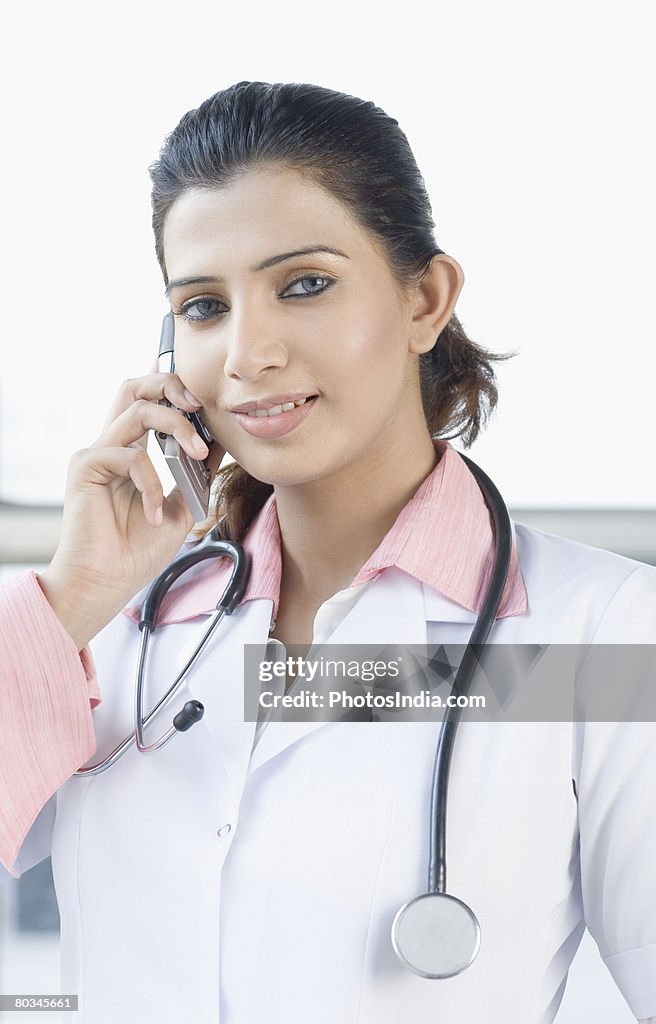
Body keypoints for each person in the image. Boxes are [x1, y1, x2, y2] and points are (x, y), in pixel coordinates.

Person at [0, 80, 655, 1024]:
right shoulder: (116, 632)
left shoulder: (597, 636)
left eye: (304, 284)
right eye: (202, 306)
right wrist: (72, 596)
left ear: (425, 299)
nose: (247, 352)